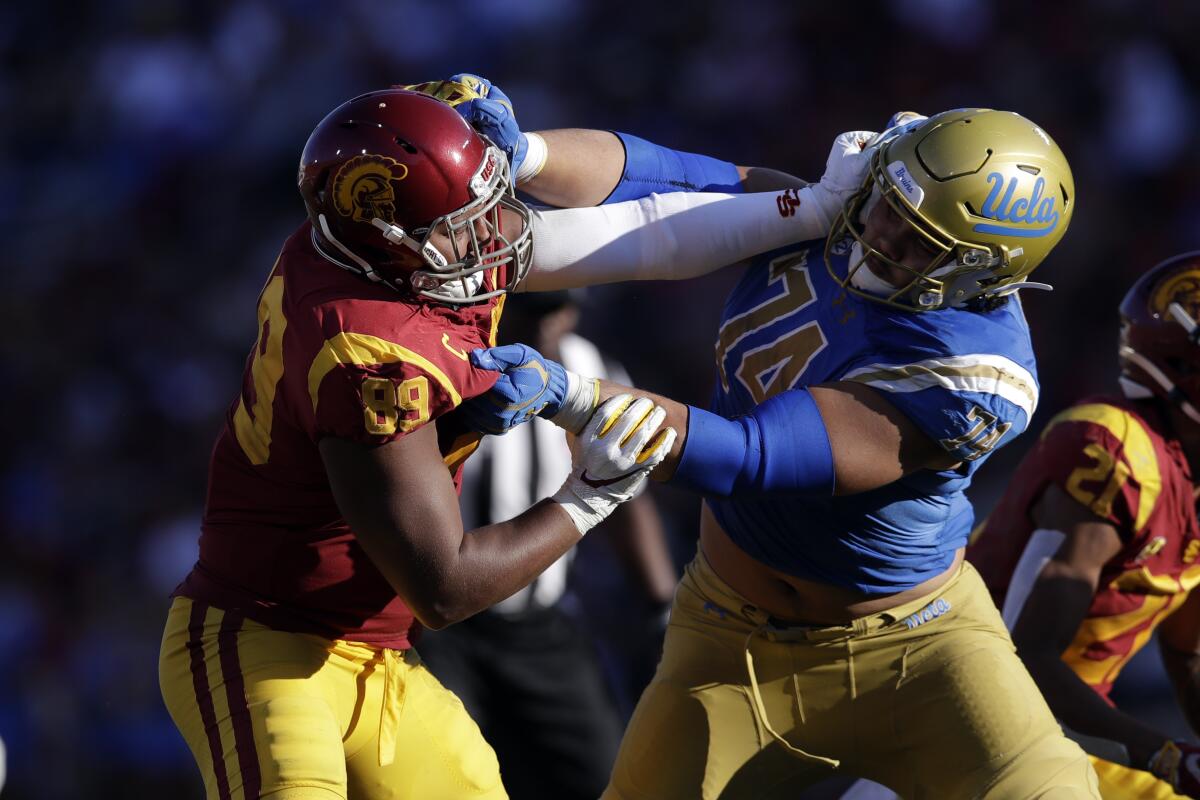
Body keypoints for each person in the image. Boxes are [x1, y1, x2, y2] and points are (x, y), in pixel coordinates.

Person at [156, 81, 871, 800]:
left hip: (378, 657)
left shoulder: (381, 252)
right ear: (389, 235)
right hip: (262, 645)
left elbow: (654, 233)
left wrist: (811, 207)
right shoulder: (371, 352)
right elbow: (447, 587)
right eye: (462, 222)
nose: (494, 229)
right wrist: (588, 496)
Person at [466, 101, 1102, 797]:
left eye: (921, 241)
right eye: (888, 203)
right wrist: (525, 154)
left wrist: (572, 394)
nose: (882, 234)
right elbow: (660, 179)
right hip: (727, 642)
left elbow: (748, 457)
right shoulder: (836, 214)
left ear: (983, 273)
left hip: (918, 650)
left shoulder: (974, 370)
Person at [418, 289, 676, 800]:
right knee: (447, 777)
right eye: (531, 310)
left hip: (539, 625)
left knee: (607, 777)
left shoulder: (592, 367)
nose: (542, 327)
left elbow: (630, 497)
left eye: (556, 311)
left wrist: (662, 604)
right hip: (436, 630)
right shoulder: (451, 365)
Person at [968, 252, 1200, 800]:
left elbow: (1188, 652)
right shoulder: (1115, 452)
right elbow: (1024, 659)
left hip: (1072, 723)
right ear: (1180, 367)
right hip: (972, 707)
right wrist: (1169, 758)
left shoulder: (1190, 475)